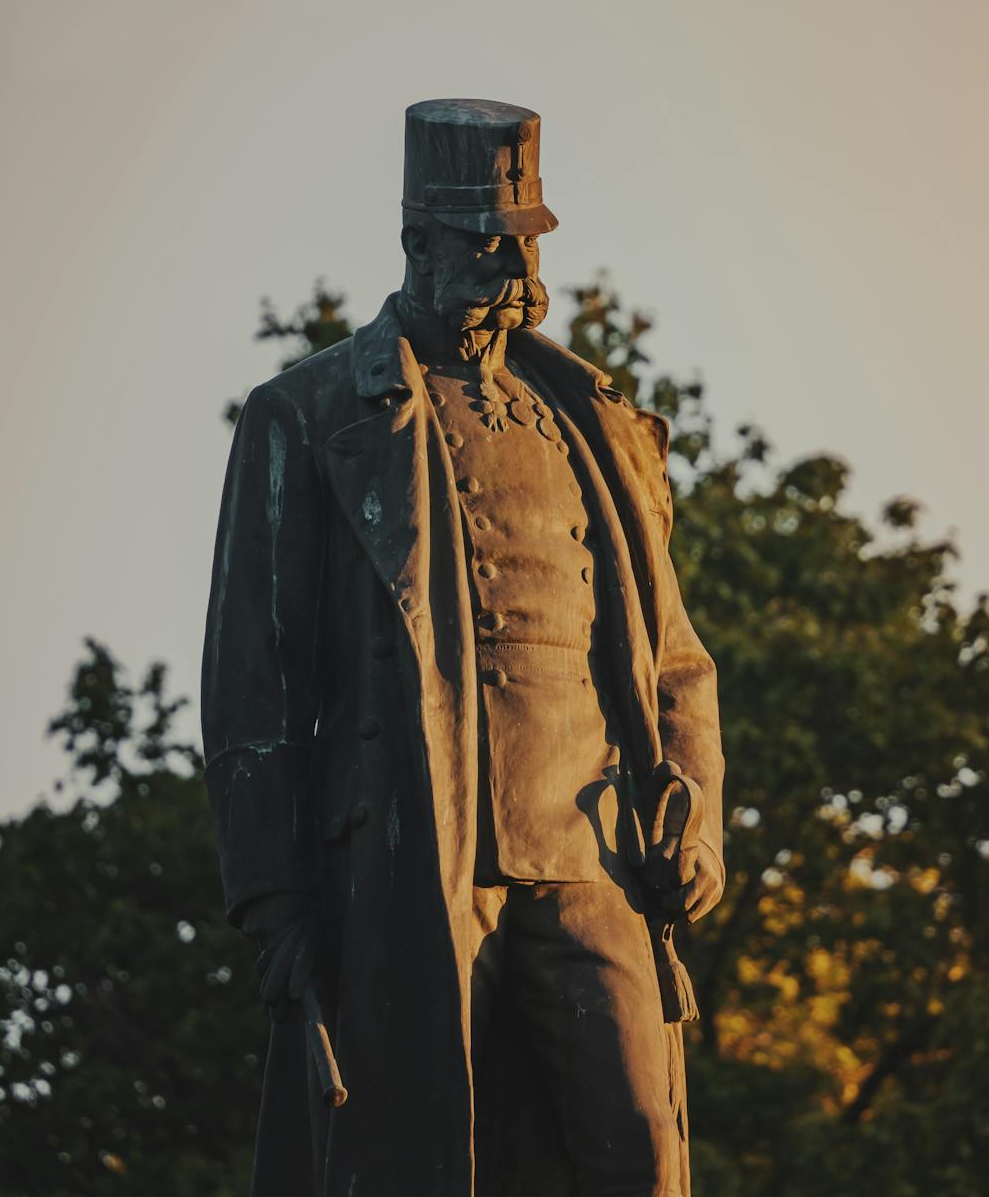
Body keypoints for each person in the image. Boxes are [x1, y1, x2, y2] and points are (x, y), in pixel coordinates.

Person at [202, 98, 726, 1197]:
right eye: (487, 242)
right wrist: (276, 901)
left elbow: (677, 661)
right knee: (414, 1164)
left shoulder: (599, 423)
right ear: (417, 243)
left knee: (638, 1142)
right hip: (407, 863)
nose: (515, 266)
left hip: (594, 856)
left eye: (526, 238)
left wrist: (697, 825)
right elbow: (254, 692)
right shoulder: (305, 415)